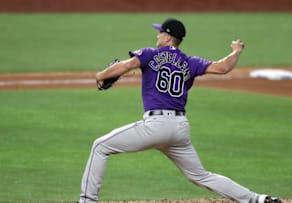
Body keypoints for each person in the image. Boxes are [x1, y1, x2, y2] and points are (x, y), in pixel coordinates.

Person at [78, 18, 281, 203]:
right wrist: (236, 51)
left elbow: (127, 65)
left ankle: (87, 200)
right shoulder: (190, 62)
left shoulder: (149, 54)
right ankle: (258, 199)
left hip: (155, 126)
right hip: (179, 130)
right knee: (201, 176)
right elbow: (222, 68)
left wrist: (100, 75)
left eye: (159, 32)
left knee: (100, 147)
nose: (157, 35)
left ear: (167, 37)